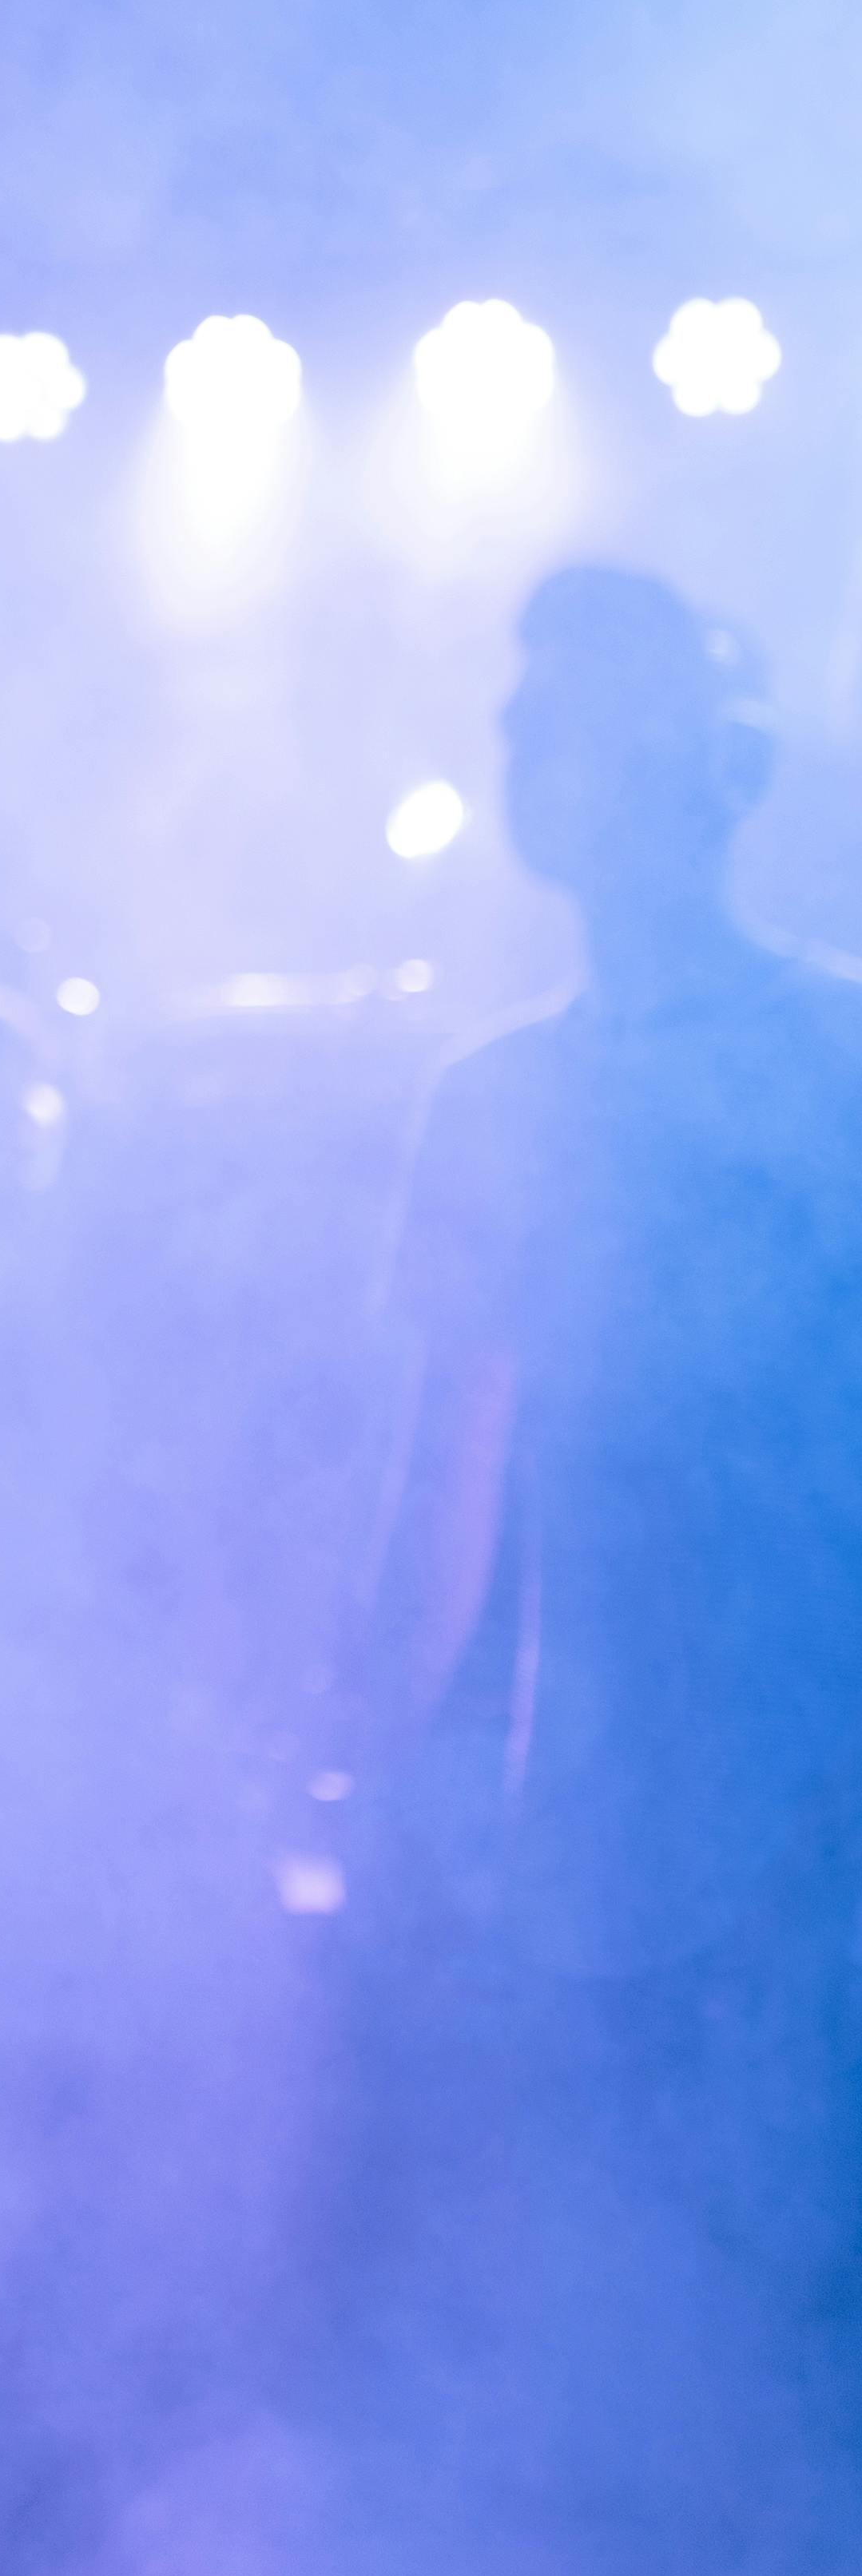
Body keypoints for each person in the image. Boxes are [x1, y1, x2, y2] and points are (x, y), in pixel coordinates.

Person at [365, 561, 862, 2091]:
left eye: (563, 714)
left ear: (685, 760)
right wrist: (377, 1788)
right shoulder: (495, 1097)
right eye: (523, 716)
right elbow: (446, 1491)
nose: (522, 745)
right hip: (601, 1852)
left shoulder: (840, 1057)